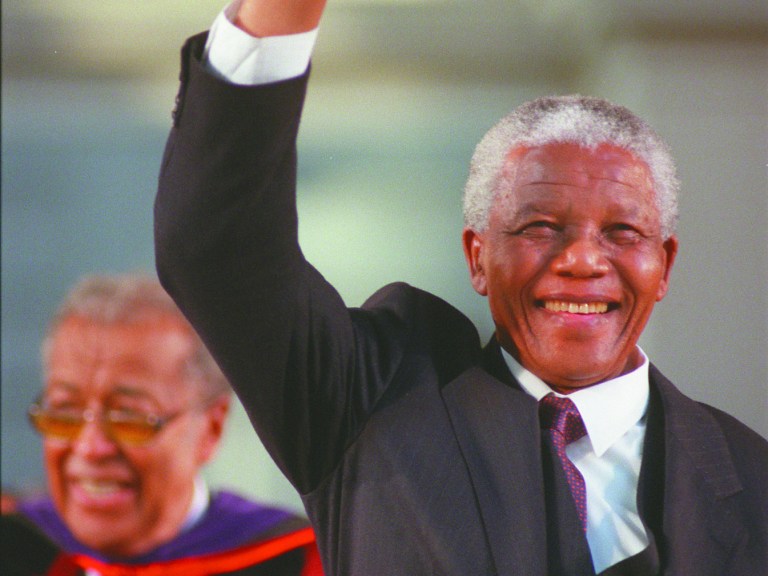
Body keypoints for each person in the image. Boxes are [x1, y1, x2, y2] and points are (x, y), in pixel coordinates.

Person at [153, 1, 768, 574]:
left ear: (664, 265)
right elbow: (219, 247)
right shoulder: (370, 404)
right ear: (478, 257)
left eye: (622, 232)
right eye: (540, 227)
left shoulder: (751, 478)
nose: (582, 259)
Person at [12, 274, 322, 576]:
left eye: (130, 417)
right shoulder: (13, 542)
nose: (90, 447)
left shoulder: (300, 564)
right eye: (65, 411)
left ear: (211, 428)